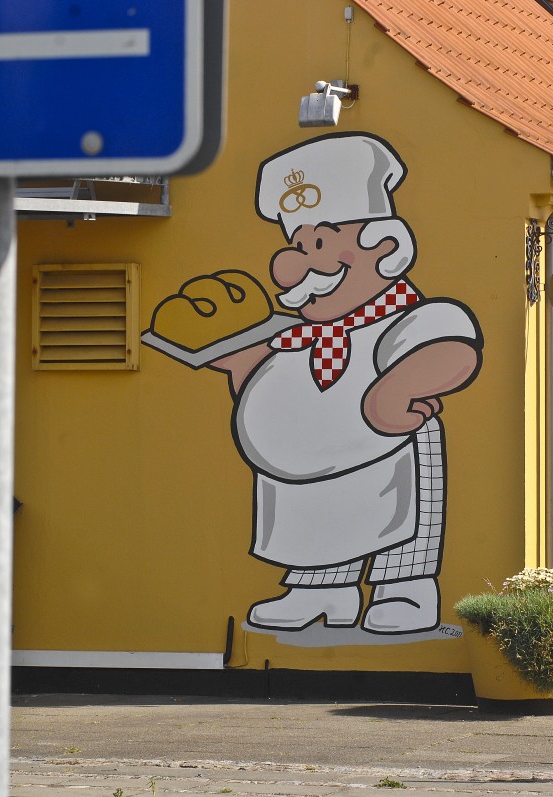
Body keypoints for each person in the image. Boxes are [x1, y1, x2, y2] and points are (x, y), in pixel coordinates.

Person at [204, 133, 484, 635]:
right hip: (298, 474)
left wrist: (397, 392)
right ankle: (320, 589)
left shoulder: (398, 319)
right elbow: (275, 385)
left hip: (388, 450)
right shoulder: (295, 336)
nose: (296, 262)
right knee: (318, 521)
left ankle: (404, 588)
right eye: (295, 243)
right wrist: (242, 369)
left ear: (386, 247)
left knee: (402, 517)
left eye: (316, 242)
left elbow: (450, 344)